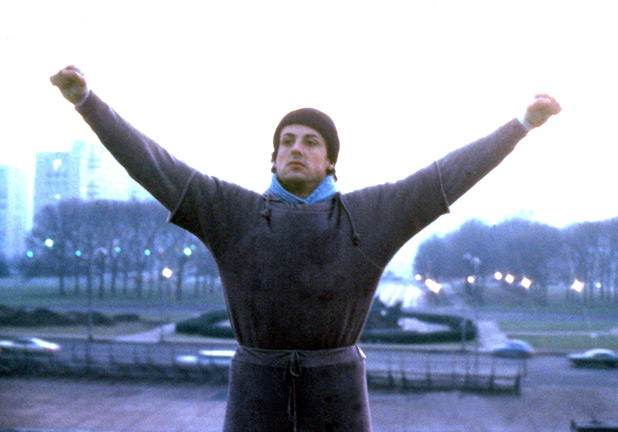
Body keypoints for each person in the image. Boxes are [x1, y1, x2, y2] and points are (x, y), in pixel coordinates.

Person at [50, 65, 561, 432]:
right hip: (254, 401)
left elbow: (443, 179)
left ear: (331, 161)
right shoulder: (231, 212)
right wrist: (87, 101)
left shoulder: (368, 215)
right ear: (273, 159)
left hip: (340, 404)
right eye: (286, 141)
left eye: (311, 141)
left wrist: (520, 125)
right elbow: (152, 163)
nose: (296, 148)